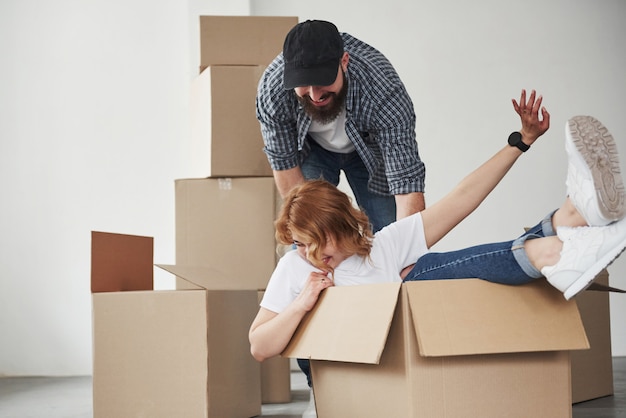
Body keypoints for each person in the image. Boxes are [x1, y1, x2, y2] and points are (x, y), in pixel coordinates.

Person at [249, 90, 626, 417]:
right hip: (345, 395)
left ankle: (567, 221)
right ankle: (554, 240)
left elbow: (461, 200)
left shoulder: (385, 247)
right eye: (300, 243)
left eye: (318, 240)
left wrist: (520, 142)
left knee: (420, 273)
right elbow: (260, 347)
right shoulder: (296, 269)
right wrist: (303, 303)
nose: (311, 253)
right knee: (418, 275)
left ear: (344, 226)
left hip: (407, 378)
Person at [256, 20, 426, 233]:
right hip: (313, 151)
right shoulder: (273, 90)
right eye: (304, 84)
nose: (314, 94)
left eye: (321, 81)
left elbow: (406, 184)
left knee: (390, 232)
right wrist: (305, 234)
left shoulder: (383, 88)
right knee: (311, 234)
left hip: (370, 152)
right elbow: (284, 163)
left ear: (344, 61)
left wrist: (407, 254)